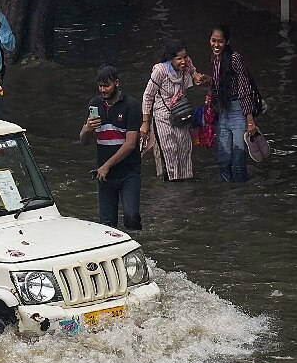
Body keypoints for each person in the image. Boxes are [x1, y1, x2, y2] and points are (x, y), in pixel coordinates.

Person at [80, 64, 143, 231]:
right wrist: (87, 128)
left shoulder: (131, 106)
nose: (103, 89)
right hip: (105, 176)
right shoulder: (94, 104)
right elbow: (84, 142)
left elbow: (130, 144)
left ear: (117, 83)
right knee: (107, 226)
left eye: (107, 85)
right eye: (100, 85)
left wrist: (107, 165)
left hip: (129, 172)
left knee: (131, 217)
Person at [140, 39, 207, 181]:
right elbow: (147, 96)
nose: (183, 61)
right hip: (162, 116)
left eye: (184, 57)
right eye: (179, 59)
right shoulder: (160, 71)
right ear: (170, 59)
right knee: (169, 150)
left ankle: (186, 184)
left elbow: (193, 72)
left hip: (181, 113)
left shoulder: (187, 63)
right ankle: (171, 187)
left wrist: (197, 77)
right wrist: (145, 123)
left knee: (184, 148)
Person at [208, 24, 259, 183]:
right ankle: (227, 198)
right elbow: (217, 86)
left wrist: (250, 121)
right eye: (213, 40)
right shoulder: (214, 60)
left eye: (220, 41)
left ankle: (241, 198)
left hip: (238, 111)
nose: (216, 45)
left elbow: (244, 88)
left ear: (227, 42)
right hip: (224, 111)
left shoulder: (235, 58)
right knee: (223, 162)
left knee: (238, 162)